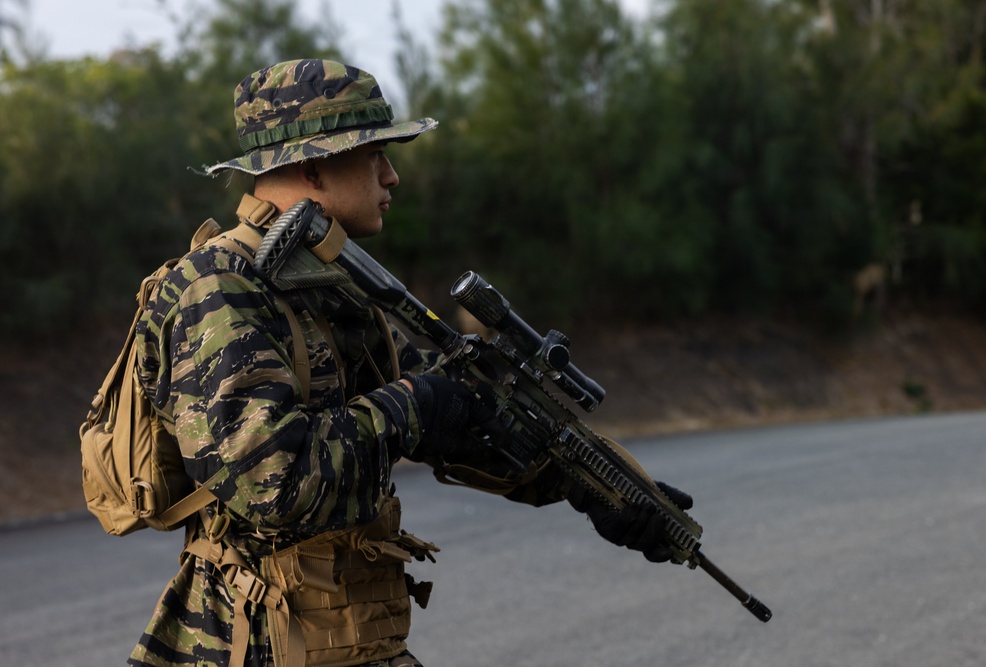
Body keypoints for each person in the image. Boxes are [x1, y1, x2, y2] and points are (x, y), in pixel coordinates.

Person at [128, 58, 691, 667]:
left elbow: (471, 413)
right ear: (314, 165)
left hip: (342, 641)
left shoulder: (328, 283)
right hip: (250, 645)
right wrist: (416, 405)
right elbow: (274, 481)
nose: (391, 177)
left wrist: (598, 488)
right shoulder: (218, 289)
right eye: (374, 156)